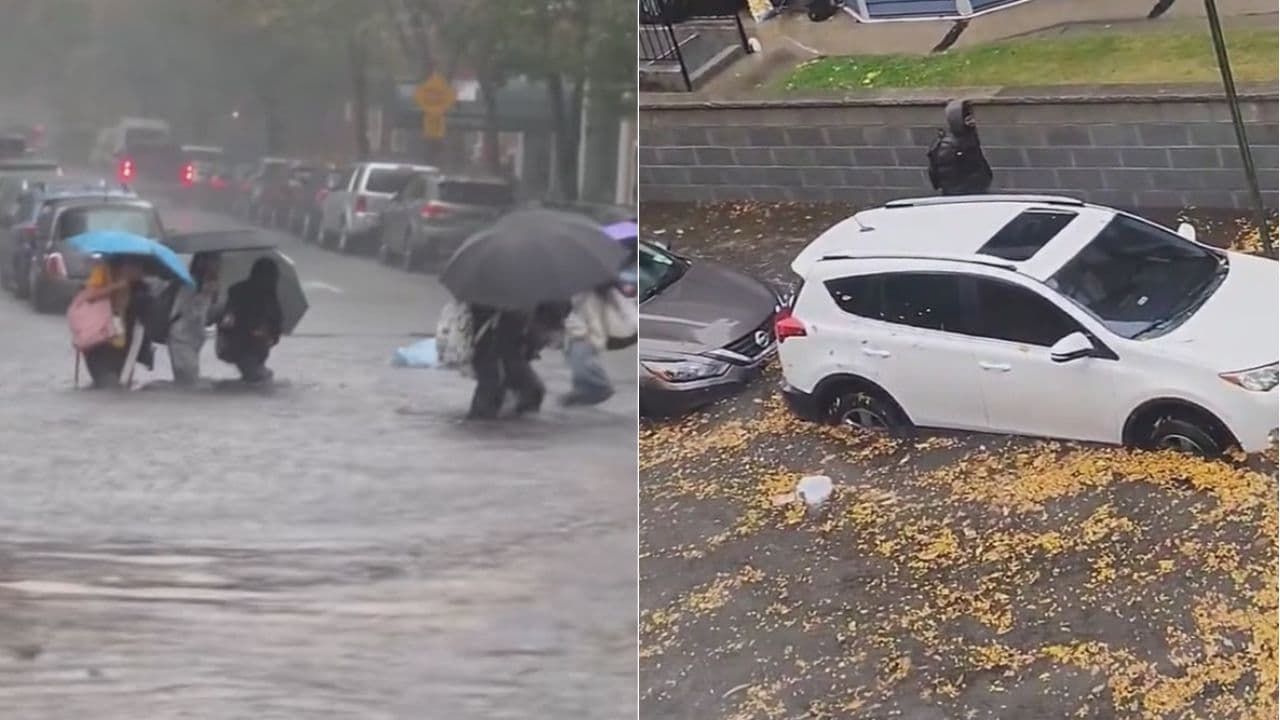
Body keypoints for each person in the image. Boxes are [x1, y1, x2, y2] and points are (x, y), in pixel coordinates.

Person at [467, 304, 558, 420]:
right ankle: (483, 420)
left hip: (506, 352)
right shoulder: (503, 308)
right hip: (492, 349)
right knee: (492, 389)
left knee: (531, 391)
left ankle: (492, 419)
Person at [81, 257, 154, 389]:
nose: (139, 270)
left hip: (125, 354)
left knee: (122, 390)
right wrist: (116, 289)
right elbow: (87, 299)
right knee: (110, 388)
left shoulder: (141, 293)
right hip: (100, 351)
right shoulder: (102, 279)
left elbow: (144, 328)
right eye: (135, 265)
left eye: (140, 266)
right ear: (122, 266)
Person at [217, 257, 282, 383]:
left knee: (256, 378)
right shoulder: (238, 291)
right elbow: (229, 317)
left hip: (258, 348)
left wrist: (267, 335)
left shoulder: (271, 300)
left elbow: (276, 329)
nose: (268, 280)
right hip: (240, 345)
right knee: (256, 378)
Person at [167, 252, 222, 386]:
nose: (218, 266)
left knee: (188, 380)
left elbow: (208, 315)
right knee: (189, 381)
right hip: (180, 337)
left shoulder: (210, 284)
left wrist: (213, 296)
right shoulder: (189, 283)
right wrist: (205, 292)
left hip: (194, 338)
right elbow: (190, 312)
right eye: (215, 261)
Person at [560, 285, 617, 406]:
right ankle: (582, 390)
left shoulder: (591, 291)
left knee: (582, 361)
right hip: (578, 330)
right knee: (575, 359)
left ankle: (601, 385)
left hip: (586, 332)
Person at [927, 98, 993, 196]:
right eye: (968, 119)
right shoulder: (949, 146)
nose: (972, 122)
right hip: (962, 196)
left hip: (975, 192)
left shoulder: (968, 140)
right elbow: (946, 177)